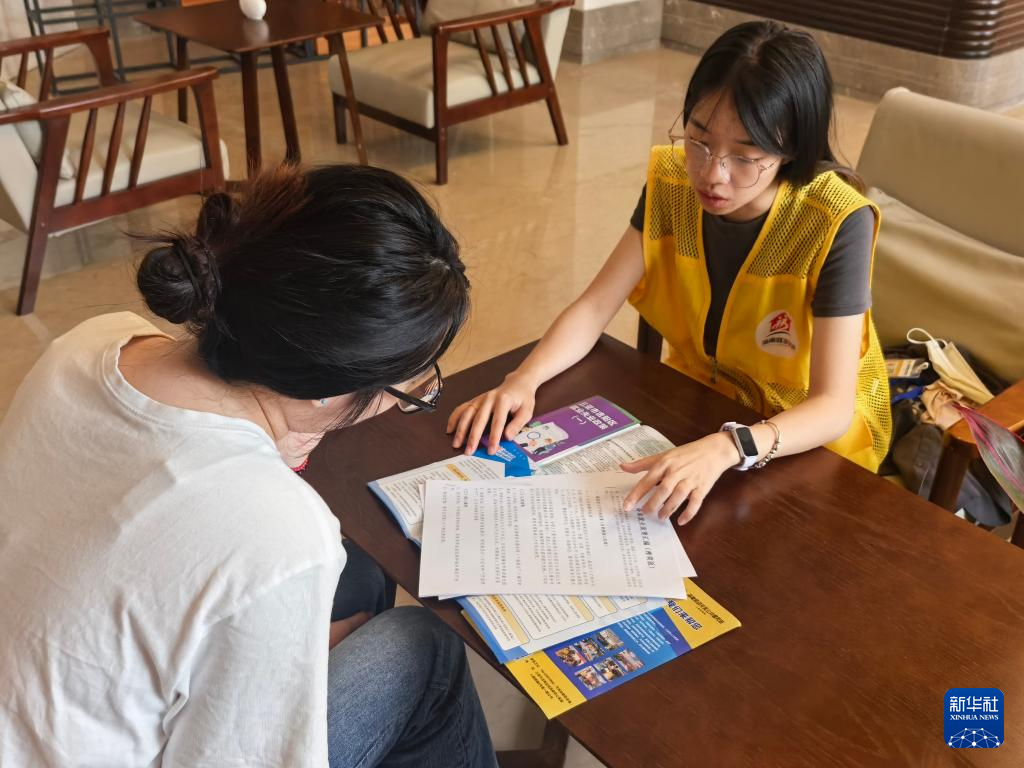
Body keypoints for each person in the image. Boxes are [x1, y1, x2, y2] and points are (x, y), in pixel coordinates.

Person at [0, 164, 497, 767]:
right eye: (409, 389)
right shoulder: (282, 533)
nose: (406, 401)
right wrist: (293, 677)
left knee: (363, 572)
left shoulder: (96, 340)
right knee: (424, 648)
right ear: (326, 388)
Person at [448, 20, 892, 525]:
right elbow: (594, 308)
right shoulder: (673, 182)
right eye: (699, 140)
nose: (712, 174)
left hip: (807, 442)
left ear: (792, 150)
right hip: (705, 403)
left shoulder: (835, 220)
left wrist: (732, 446)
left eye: (745, 156)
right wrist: (522, 381)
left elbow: (833, 407)